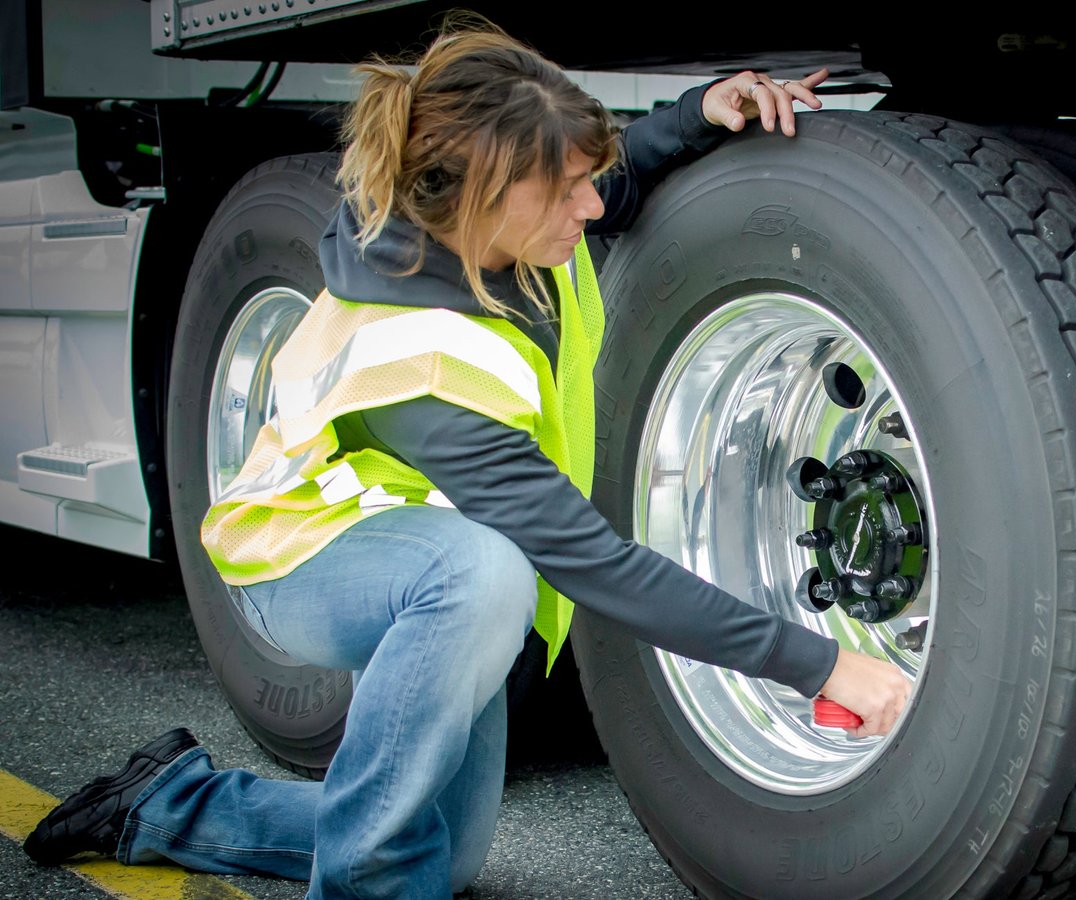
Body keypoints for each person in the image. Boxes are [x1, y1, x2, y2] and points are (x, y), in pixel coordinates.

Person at [23, 16, 912, 898]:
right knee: (484, 577)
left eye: (584, 179)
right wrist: (824, 665)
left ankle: (169, 806)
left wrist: (701, 112)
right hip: (296, 561)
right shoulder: (421, 361)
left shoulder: (497, 234)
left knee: (439, 851)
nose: (593, 207)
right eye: (567, 188)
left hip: (424, 556)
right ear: (485, 193)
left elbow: (621, 173)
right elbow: (595, 564)